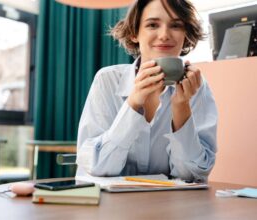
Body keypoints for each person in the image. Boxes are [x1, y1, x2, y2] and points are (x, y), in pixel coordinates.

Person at [76, 0, 217, 182]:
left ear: (185, 35)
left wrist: (182, 107)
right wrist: (133, 104)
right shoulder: (107, 80)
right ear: (135, 33)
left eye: (176, 25)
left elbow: (192, 176)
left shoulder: (197, 87)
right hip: (109, 205)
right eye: (152, 25)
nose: (165, 35)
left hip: (168, 206)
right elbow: (97, 167)